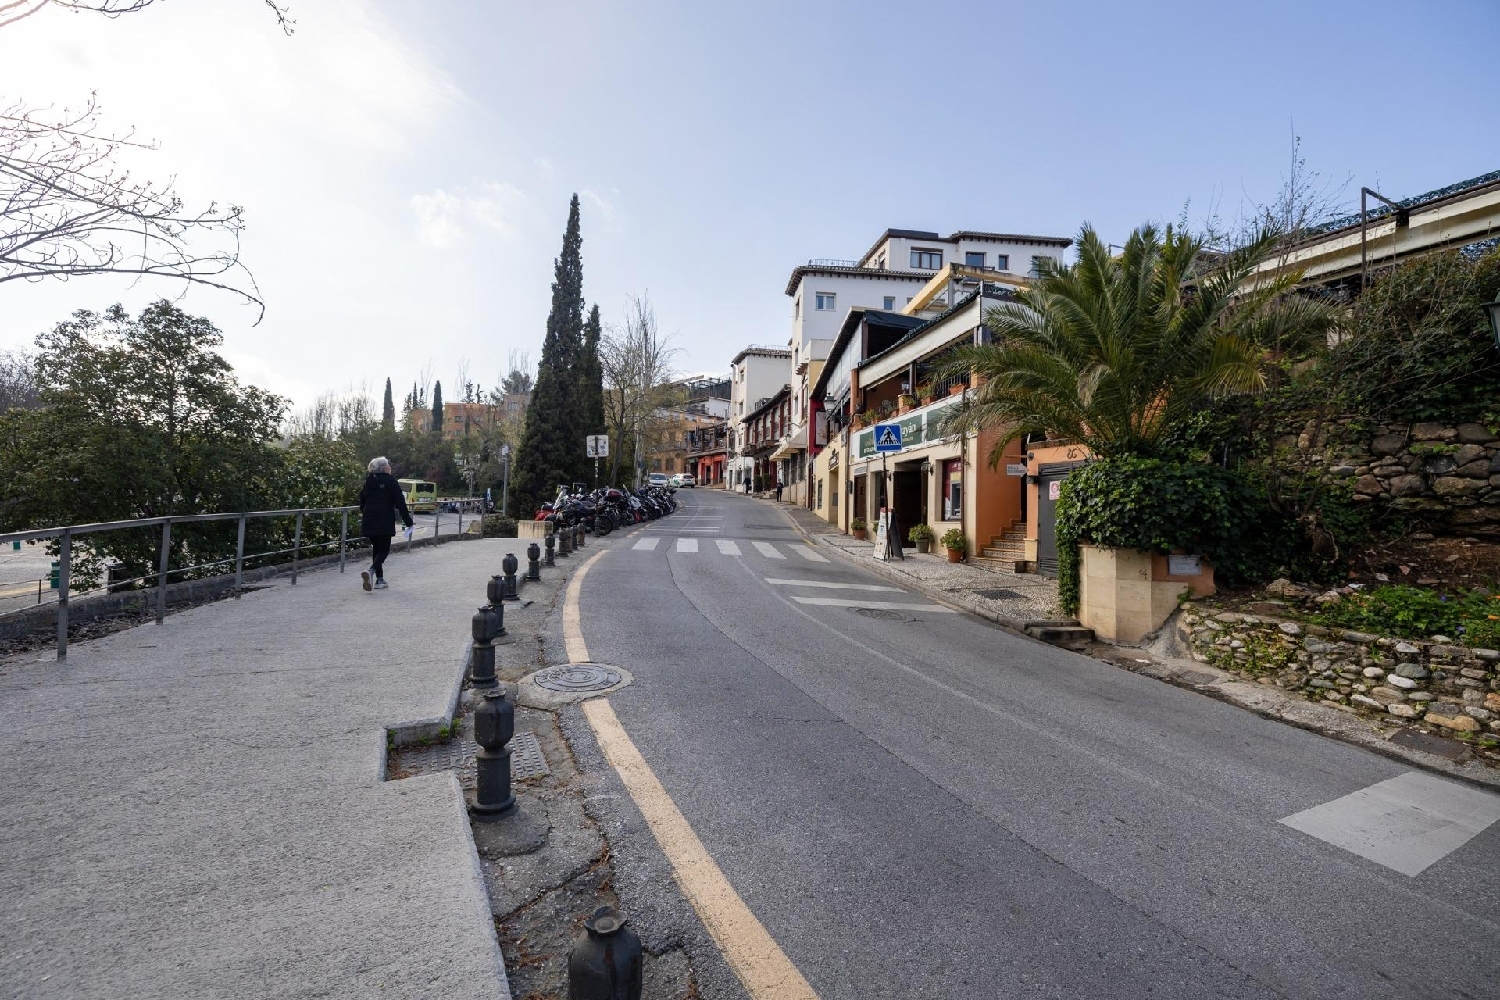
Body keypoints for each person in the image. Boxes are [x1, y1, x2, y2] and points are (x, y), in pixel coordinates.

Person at [358, 456, 413, 591]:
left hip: (369, 518)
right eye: (388, 465)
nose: (390, 467)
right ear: (383, 468)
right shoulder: (390, 481)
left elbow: (362, 499)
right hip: (384, 519)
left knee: (376, 549)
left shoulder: (369, 480)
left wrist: (365, 512)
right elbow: (400, 502)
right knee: (384, 549)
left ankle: (379, 580)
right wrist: (408, 521)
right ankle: (371, 572)